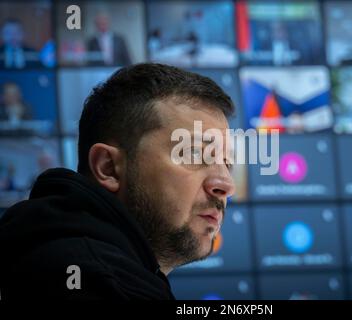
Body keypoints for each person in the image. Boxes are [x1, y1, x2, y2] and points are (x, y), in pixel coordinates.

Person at [0, 63, 235, 300]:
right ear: (108, 168)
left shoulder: (48, 252)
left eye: (227, 163)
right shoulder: (106, 287)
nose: (226, 185)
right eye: (194, 153)